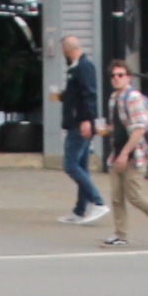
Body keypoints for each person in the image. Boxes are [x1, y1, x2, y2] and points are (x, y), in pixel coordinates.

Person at [102, 60, 148, 246]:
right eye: (113, 76)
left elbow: (140, 129)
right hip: (116, 154)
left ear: (128, 77)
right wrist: (104, 130)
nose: (116, 78)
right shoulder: (113, 98)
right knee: (116, 197)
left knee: (134, 196)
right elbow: (117, 126)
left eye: (120, 75)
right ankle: (120, 234)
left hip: (134, 155)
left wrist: (124, 153)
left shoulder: (134, 98)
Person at [54, 32, 103, 224]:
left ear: (68, 49)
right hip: (76, 121)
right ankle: (80, 210)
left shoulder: (84, 66)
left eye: (63, 50)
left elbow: (89, 94)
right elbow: (78, 94)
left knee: (71, 165)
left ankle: (97, 201)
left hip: (79, 124)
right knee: (82, 166)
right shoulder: (75, 67)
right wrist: (64, 96)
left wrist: (87, 120)